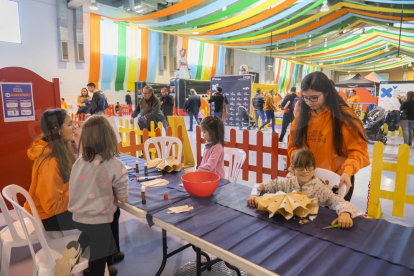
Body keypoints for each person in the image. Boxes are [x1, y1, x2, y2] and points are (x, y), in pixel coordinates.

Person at [25, 109, 124, 276]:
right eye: (69, 124)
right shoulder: (50, 161)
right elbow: (53, 206)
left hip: (55, 209)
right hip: (49, 216)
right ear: (57, 130)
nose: (74, 127)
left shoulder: (59, 149)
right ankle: (94, 270)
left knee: (110, 211)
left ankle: (103, 258)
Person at [288, 71, 370, 201]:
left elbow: (359, 152)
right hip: (306, 180)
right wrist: (297, 162)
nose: (309, 102)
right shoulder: (301, 118)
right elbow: (293, 146)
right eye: (305, 97)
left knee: (329, 219)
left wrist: (347, 171)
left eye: (314, 97)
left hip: (336, 182)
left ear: (326, 92)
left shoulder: (345, 117)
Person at [68, 115, 129, 276]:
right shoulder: (116, 165)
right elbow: (123, 197)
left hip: (78, 216)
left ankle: (73, 253)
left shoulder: (79, 161)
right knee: (98, 260)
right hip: (99, 221)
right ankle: (96, 270)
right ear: (110, 137)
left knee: (89, 232)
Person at [246, 149, 357, 228]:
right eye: (300, 167)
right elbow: (261, 185)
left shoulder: (320, 188)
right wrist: (254, 194)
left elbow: (338, 201)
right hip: (287, 227)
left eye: (309, 167)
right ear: (293, 169)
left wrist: (345, 213)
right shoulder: (288, 182)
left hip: (311, 228)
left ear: (314, 168)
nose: (304, 171)